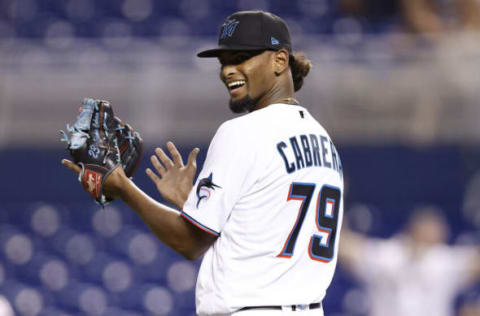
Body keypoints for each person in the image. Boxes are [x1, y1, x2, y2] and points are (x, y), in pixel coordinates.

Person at [62, 10, 344, 316]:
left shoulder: (242, 132)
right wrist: (194, 205)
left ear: (279, 60)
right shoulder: (322, 140)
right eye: (224, 62)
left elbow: (189, 242)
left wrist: (122, 186)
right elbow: (264, 228)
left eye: (241, 57)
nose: (228, 71)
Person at [339, 206, 480, 316]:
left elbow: (475, 262)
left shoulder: (443, 259)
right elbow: (345, 247)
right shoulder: (387, 254)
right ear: (413, 227)